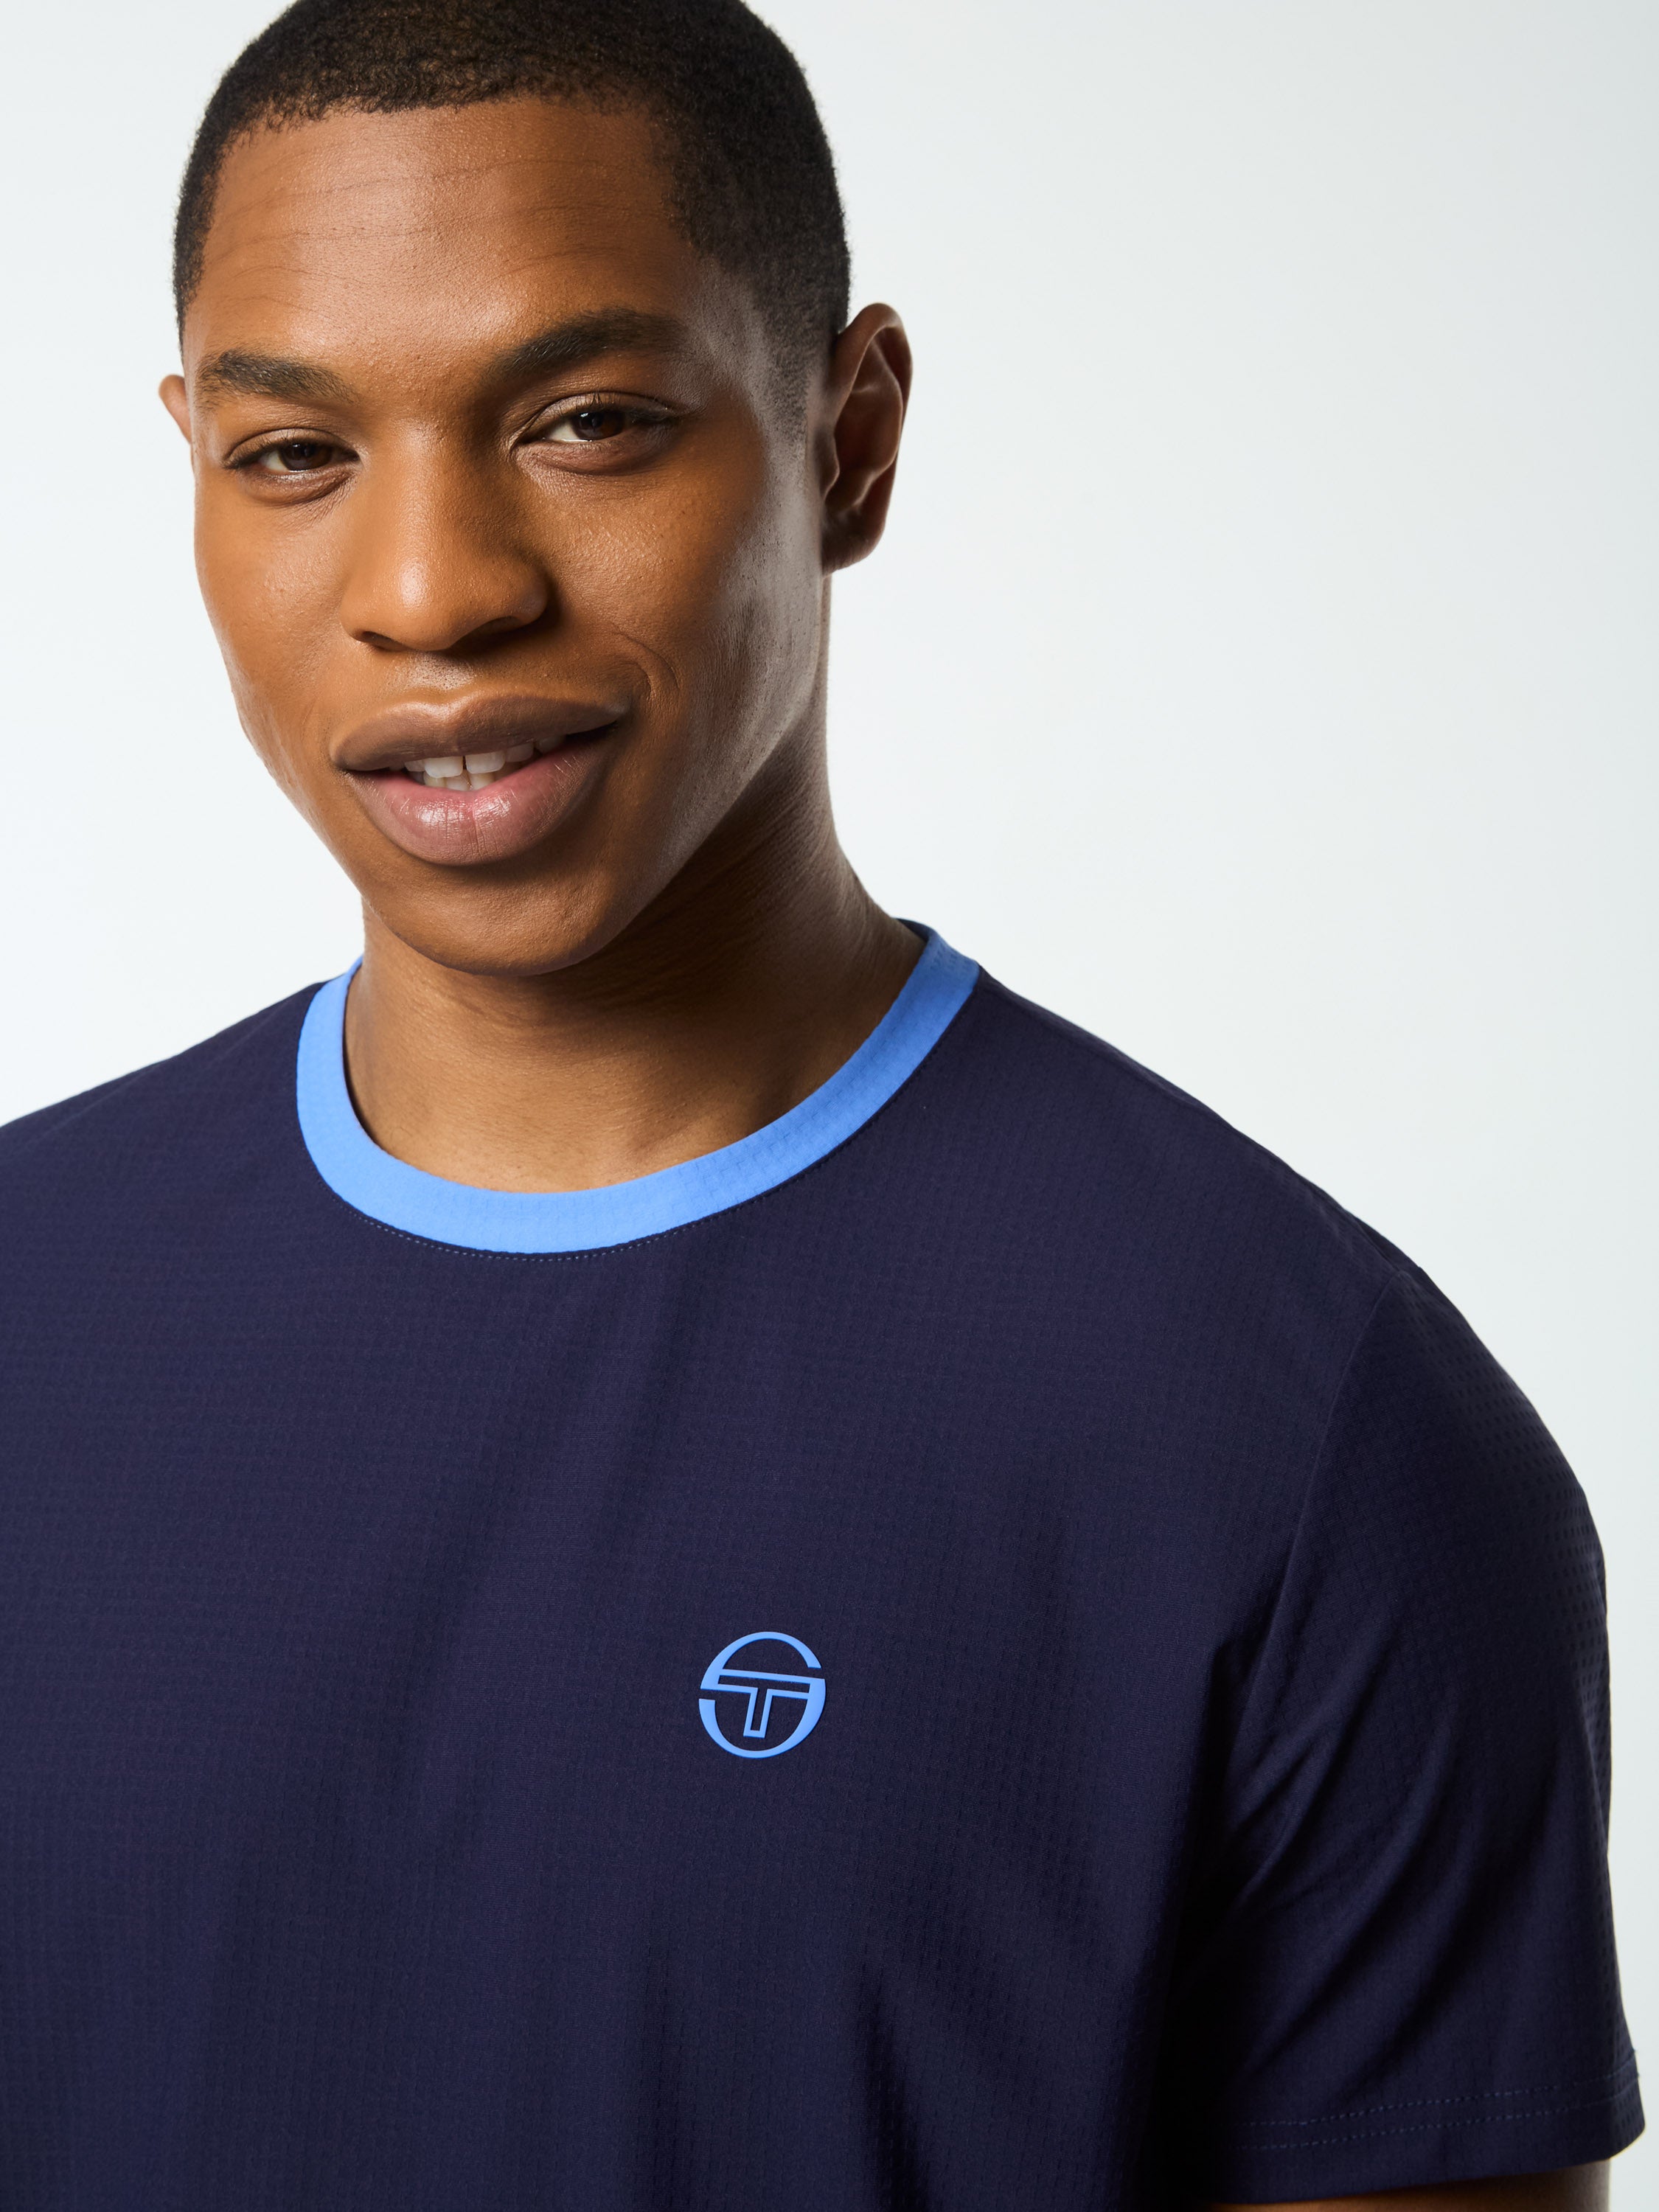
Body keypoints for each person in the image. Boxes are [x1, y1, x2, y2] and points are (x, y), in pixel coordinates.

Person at [0, 0, 1639, 2204]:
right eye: (295, 455)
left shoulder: (1306, 1437)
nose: (432, 592)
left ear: (847, 438)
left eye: (586, 422)